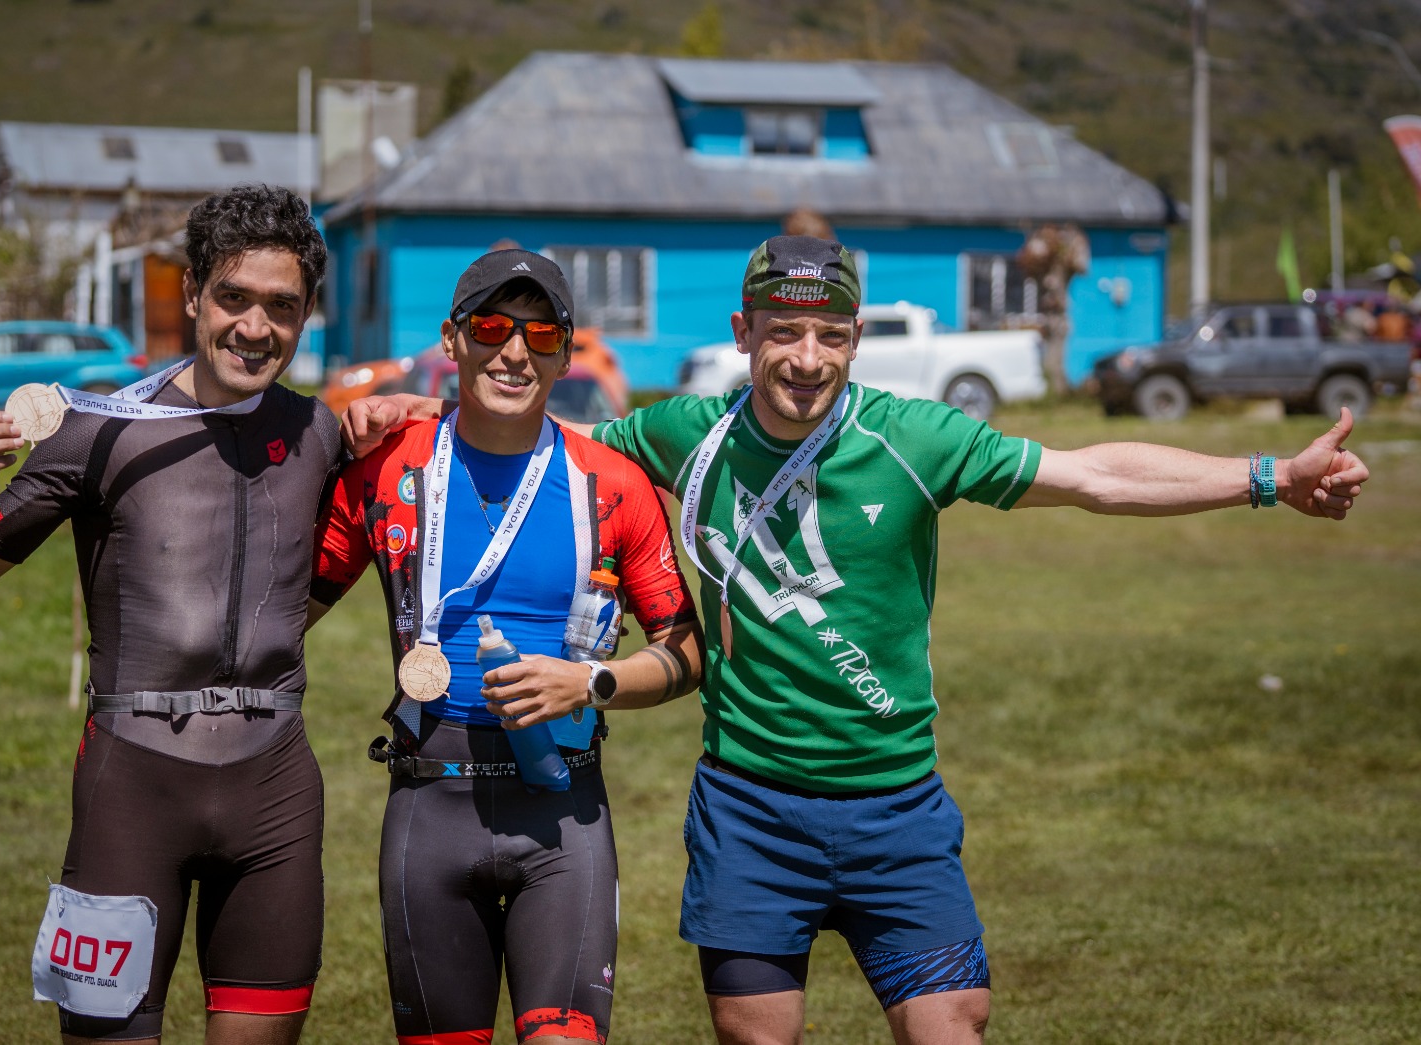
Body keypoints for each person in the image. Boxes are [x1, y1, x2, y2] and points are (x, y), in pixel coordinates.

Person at [341, 235, 1370, 1045]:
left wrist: (1266, 478)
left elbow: (1092, 474)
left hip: (898, 808)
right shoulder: (681, 432)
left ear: (854, 338)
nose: (805, 358)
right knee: (754, 1034)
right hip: (749, 809)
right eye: (783, 334)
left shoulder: (914, 437)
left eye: (829, 335)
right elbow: (516, 428)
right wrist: (408, 411)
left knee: (951, 1025)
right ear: (745, 331)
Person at [0, 184, 342, 1045]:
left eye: (281, 306)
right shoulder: (97, 427)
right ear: (192, 292)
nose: (254, 327)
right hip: (132, 786)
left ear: (307, 315)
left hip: (275, 790)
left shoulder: (320, 432)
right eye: (233, 297)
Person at [307, 249, 704, 1045]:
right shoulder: (389, 468)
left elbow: (689, 650)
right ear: (453, 341)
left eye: (540, 333)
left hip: (562, 811)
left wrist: (590, 682)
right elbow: (279, 613)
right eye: (491, 327)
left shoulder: (613, 483)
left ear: (563, 352)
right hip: (428, 805)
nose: (514, 351)